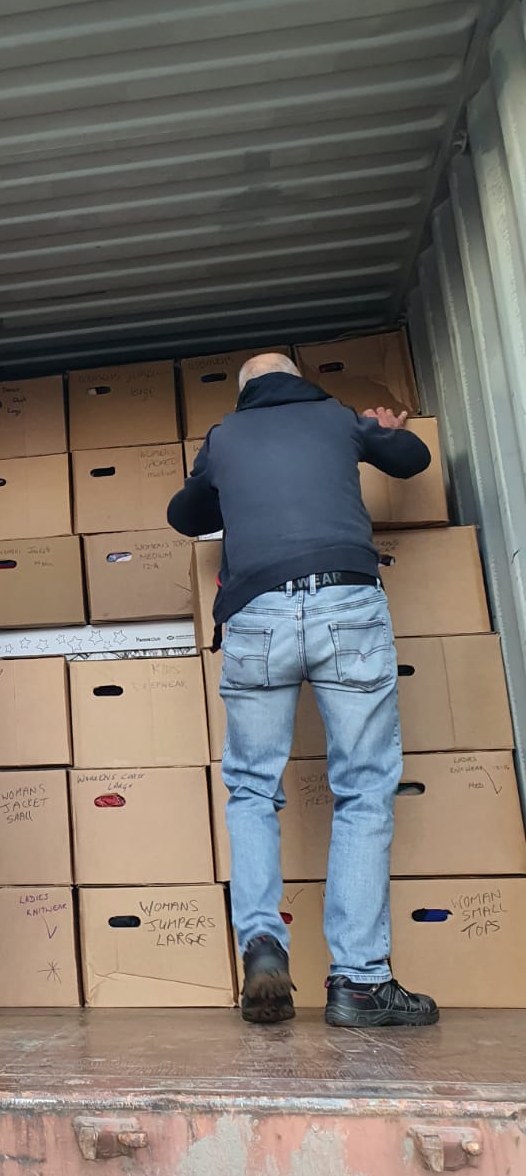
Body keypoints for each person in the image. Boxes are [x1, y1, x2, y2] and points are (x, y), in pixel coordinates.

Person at [167, 353, 439, 1030]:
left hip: (256, 613)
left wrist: (216, 475)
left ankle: (262, 941)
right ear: (297, 379)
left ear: (245, 393)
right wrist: (380, 427)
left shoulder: (225, 437)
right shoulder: (338, 419)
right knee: (363, 788)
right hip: (346, 600)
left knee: (254, 790)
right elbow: (411, 458)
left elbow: (184, 515)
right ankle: (360, 983)